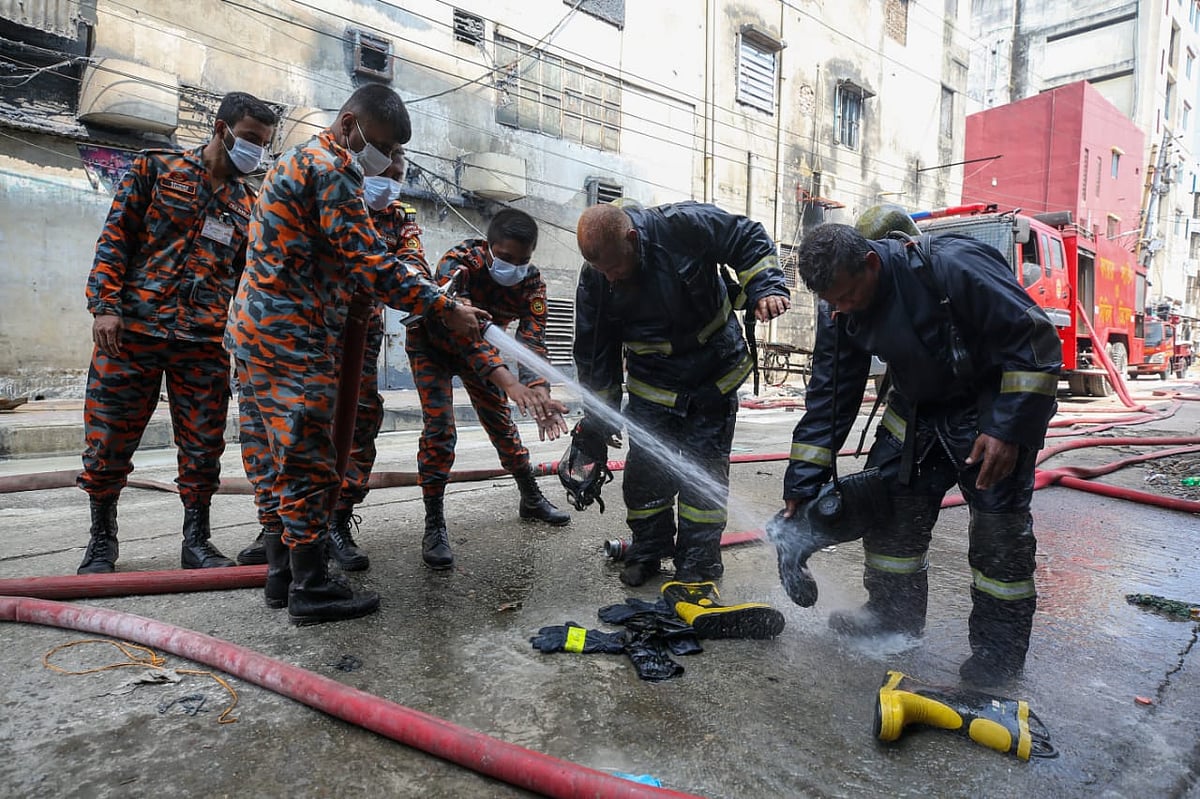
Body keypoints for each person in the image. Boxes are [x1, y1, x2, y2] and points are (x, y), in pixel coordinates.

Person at [227, 84, 490, 625]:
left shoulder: (293, 160)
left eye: (395, 153)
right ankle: (311, 586)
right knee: (308, 458)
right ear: (349, 126)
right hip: (293, 336)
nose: (388, 161)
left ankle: (280, 575)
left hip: (254, 331)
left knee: (270, 456)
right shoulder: (333, 167)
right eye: (383, 146)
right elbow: (370, 263)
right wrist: (444, 307)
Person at [775, 213, 1062, 686]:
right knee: (890, 515)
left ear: (871, 263)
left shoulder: (953, 266)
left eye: (847, 296)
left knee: (998, 535)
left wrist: (1008, 429)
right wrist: (802, 484)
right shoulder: (838, 307)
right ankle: (892, 617)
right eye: (832, 303)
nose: (841, 310)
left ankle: (998, 652)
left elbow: (1035, 345)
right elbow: (831, 395)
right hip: (916, 412)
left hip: (988, 412)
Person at [77, 92, 278, 575]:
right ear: (221, 127)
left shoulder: (249, 204)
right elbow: (115, 239)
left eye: (264, 144)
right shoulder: (156, 169)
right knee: (107, 442)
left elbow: (249, 278)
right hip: (132, 332)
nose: (256, 151)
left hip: (204, 341)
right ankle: (101, 542)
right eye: (250, 139)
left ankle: (197, 542)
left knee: (204, 446)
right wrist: (105, 307)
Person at [571, 201, 791, 586]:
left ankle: (699, 563)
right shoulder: (596, 279)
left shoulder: (683, 226)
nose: (610, 278)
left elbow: (746, 236)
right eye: (601, 270)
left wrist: (765, 287)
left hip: (713, 375)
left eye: (614, 267)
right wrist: (598, 423)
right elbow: (595, 357)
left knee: (702, 476)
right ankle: (648, 550)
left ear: (633, 239)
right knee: (645, 475)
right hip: (652, 387)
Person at [235, 153, 418, 571]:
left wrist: (426, 293)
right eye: (383, 171)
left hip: (356, 336)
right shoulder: (326, 185)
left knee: (355, 423)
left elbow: (409, 264)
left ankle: (333, 522)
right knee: (278, 432)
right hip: (300, 332)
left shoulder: (399, 218)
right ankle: (278, 532)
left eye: (397, 176)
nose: (388, 182)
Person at [408, 208, 571, 570]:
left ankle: (530, 497)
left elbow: (532, 341)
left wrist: (538, 388)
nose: (515, 267)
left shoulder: (531, 283)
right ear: (489, 246)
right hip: (431, 347)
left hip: (481, 358)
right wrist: (509, 382)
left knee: (501, 423)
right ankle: (434, 524)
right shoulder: (459, 263)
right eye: (507, 258)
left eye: (523, 259)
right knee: (439, 431)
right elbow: (466, 333)